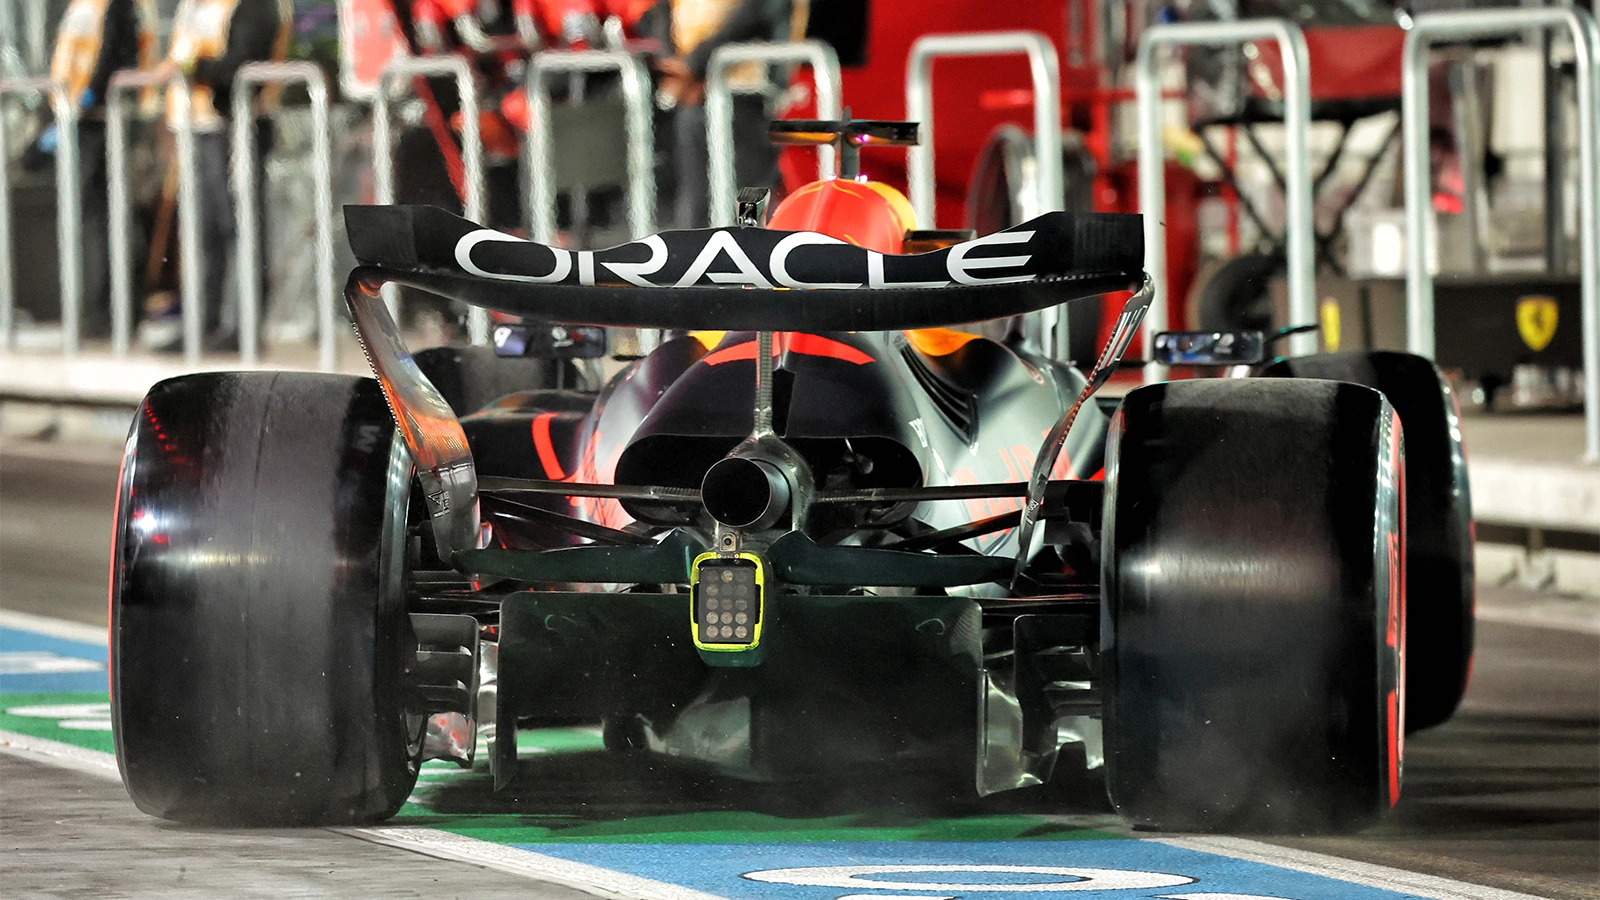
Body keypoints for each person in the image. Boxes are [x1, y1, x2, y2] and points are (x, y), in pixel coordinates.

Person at [148, 0, 292, 352]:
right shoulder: (195, 5)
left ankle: (243, 326)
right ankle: (202, 322)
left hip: (234, 126)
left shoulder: (254, 5)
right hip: (195, 127)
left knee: (240, 229)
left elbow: (242, 64)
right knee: (202, 233)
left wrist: (189, 67)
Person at [48, 0, 160, 340]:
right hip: (85, 118)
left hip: (103, 119)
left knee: (111, 218)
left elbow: (115, 53)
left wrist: (89, 97)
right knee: (98, 217)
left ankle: (115, 313)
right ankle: (103, 313)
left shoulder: (119, 4)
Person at [656, 0, 801, 228]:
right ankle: (703, 249)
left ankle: (751, 244)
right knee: (698, 198)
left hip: (747, 91)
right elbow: (662, 10)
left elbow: (756, 12)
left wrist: (693, 64)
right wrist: (674, 64)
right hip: (693, 94)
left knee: (749, 195)